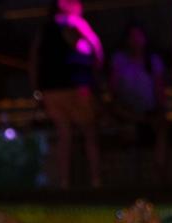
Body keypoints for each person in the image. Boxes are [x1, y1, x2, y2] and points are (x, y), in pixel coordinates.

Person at [34, 0, 104, 188]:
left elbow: (34, 59)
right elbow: (96, 51)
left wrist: (38, 90)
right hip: (74, 87)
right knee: (88, 133)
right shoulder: (73, 23)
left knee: (65, 134)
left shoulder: (46, 28)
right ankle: (95, 181)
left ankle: (65, 183)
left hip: (52, 90)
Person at [108, 20, 170, 178]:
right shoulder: (120, 60)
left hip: (149, 112)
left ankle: (159, 173)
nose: (135, 41)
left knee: (161, 129)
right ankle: (130, 177)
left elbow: (159, 88)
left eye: (138, 36)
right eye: (132, 37)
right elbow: (113, 90)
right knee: (128, 126)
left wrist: (161, 109)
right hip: (126, 111)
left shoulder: (152, 61)